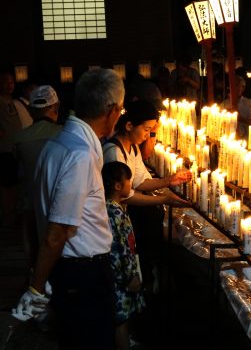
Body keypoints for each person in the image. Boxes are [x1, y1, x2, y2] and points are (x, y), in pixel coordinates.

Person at [13, 68, 125, 349]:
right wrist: (35, 289)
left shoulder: (61, 142)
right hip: (82, 274)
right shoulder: (79, 153)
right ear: (111, 110)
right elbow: (58, 231)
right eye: (121, 110)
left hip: (73, 271)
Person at [102, 100, 191, 293]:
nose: (147, 135)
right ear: (129, 126)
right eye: (146, 129)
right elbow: (126, 195)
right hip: (115, 218)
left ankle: (147, 283)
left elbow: (141, 181)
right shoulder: (114, 152)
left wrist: (170, 180)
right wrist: (163, 199)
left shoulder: (132, 147)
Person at [12, 85, 63, 269]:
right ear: (56, 108)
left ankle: (34, 280)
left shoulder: (19, 139)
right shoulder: (64, 135)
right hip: (59, 206)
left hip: (31, 204)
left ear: (32, 111)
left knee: (34, 252)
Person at [102, 161, 144, 350]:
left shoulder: (112, 208)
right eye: (129, 181)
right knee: (122, 318)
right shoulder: (114, 212)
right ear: (118, 186)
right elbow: (121, 246)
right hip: (120, 276)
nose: (131, 184)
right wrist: (131, 274)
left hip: (119, 274)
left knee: (123, 316)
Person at [0, 68, 22, 226]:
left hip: (14, 149)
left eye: (11, 82)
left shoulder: (12, 102)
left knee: (14, 185)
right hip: (4, 150)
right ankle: (7, 217)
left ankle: (12, 215)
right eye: (5, 82)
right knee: (6, 186)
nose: (9, 85)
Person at [221, 75, 251, 140]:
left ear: (243, 88)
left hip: (245, 138)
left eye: (237, 85)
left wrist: (239, 118)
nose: (235, 88)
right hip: (228, 138)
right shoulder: (224, 104)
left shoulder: (249, 104)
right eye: (233, 85)